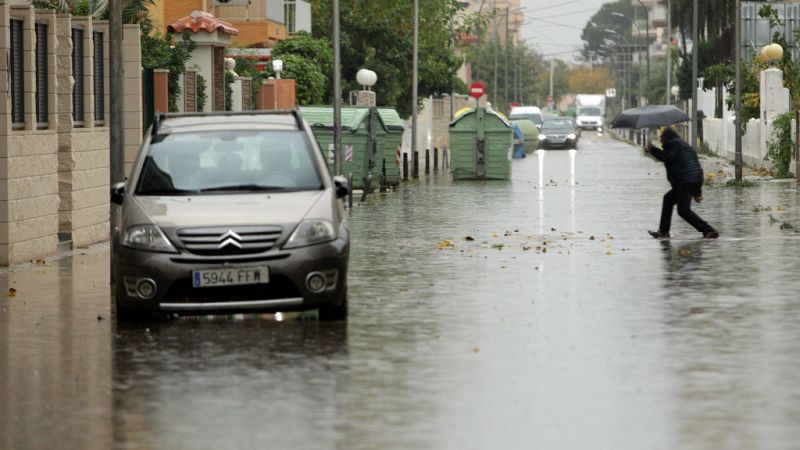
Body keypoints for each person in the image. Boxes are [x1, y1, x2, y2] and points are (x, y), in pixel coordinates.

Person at [645, 127, 719, 239]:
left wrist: (652, 149)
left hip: (685, 180)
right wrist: (697, 193)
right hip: (694, 178)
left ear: (666, 137)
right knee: (668, 199)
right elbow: (694, 167)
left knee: (683, 211)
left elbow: (667, 157)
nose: (660, 140)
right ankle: (663, 231)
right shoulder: (683, 145)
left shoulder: (672, 144)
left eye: (661, 137)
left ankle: (709, 230)